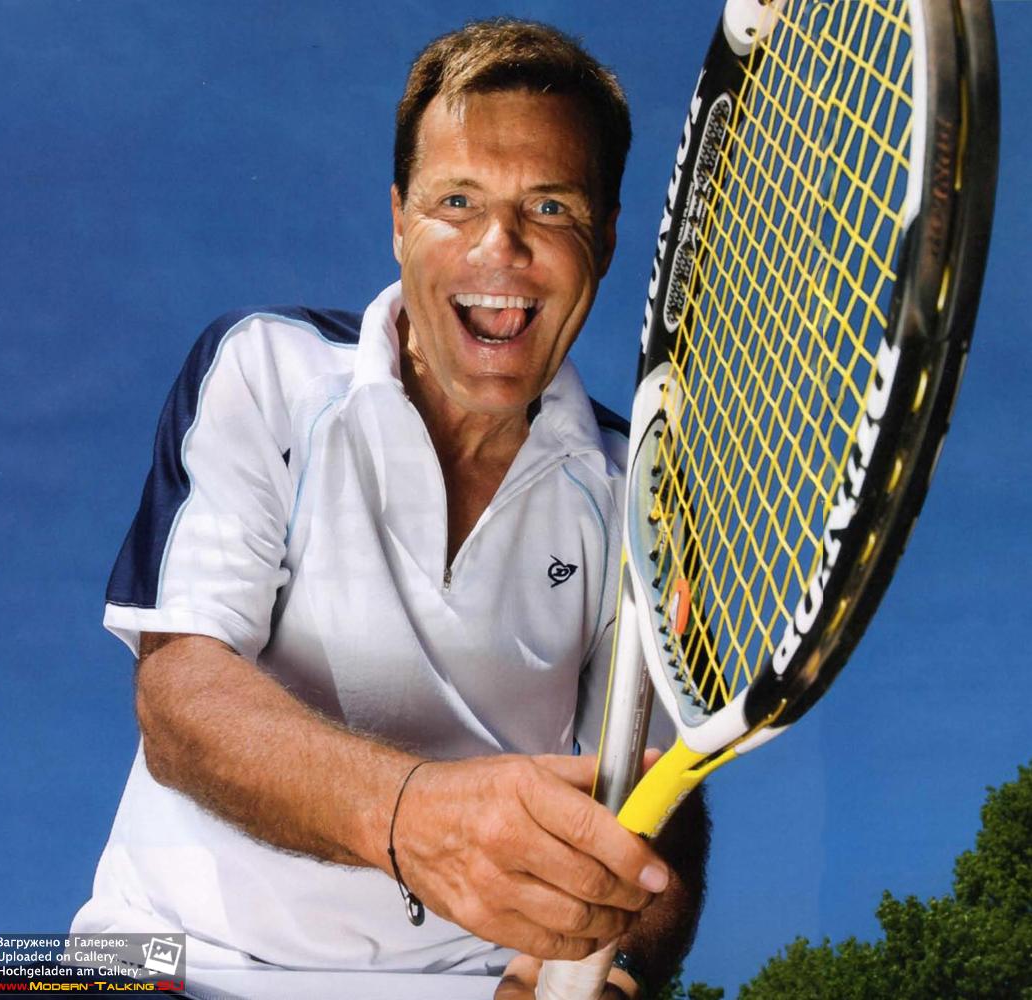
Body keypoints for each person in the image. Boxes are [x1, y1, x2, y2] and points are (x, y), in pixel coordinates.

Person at [73, 18, 710, 999]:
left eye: (549, 206)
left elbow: (653, 799)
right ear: (399, 220)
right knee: (35, 977)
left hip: (463, 983)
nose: (500, 247)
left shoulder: (642, 497)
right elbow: (179, 699)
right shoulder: (263, 366)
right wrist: (414, 817)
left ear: (607, 239)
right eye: (457, 201)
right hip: (148, 955)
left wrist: (617, 972)